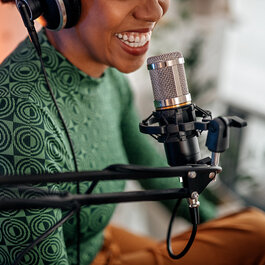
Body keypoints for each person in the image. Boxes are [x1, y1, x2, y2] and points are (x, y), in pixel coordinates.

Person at [0, 0, 265, 265]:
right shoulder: (20, 122)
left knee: (252, 233)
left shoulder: (110, 81)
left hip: (100, 242)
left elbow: (152, 169)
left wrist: (218, 222)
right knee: (257, 232)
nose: (156, 10)